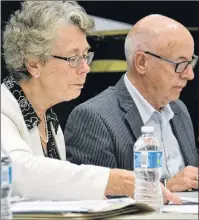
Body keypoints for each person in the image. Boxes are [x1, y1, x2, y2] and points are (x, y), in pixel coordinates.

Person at [1, 1, 180, 204]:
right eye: (73, 58)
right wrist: (114, 181)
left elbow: (52, 189)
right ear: (33, 64)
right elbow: (17, 171)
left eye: (86, 55)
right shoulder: (4, 110)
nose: (85, 68)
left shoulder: (48, 120)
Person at [65, 14, 199, 192]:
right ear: (142, 62)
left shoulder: (179, 109)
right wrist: (165, 187)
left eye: (191, 62)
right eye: (181, 63)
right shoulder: (94, 117)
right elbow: (95, 199)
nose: (190, 75)